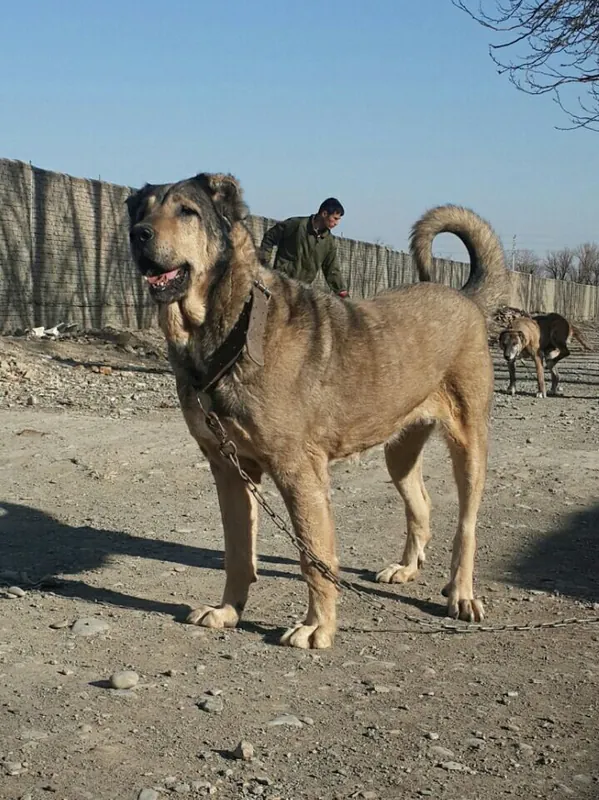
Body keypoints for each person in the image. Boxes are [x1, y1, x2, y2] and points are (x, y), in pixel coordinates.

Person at [259, 198, 349, 297]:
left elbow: (332, 269)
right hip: (281, 284)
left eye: (339, 219)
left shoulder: (329, 242)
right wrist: (264, 263)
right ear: (324, 214)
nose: (337, 223)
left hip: (302, 292)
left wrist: (341, 291)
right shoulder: (296, 225)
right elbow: (270, 237)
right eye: (335, 218)